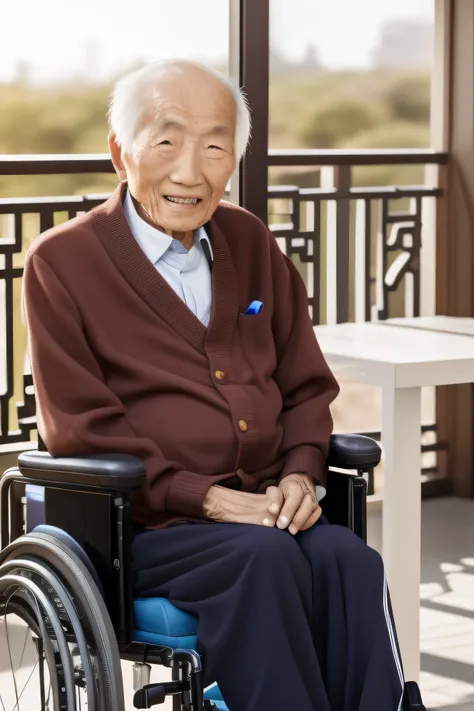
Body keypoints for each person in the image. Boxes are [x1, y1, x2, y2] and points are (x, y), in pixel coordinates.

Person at [23, 59, 411, 711]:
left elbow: (305, 386)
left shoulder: (249, 241)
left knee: (350, 559)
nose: (190, 169)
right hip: (142, 526)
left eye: (215, 144)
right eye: (167, 139)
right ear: (121, 151)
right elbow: (79, 426)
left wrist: (299, 473)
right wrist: (208, 498)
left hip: (265, 508)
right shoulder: (62, 264)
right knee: (267, 560)